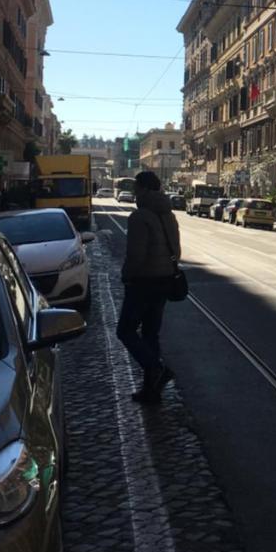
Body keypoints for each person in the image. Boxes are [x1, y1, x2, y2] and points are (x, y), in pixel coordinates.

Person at [117, 171, 180, 405]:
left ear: (142, 189)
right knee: (151, 333)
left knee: (125, 330)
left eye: (135, 188)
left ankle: (157, 368)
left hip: (143, 282)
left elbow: (136, 255)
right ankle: (151, 390)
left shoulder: (139, 217)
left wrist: (127, 276)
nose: (133, 193)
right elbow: (176, 250)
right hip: (165, 280)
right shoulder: (169, 216)